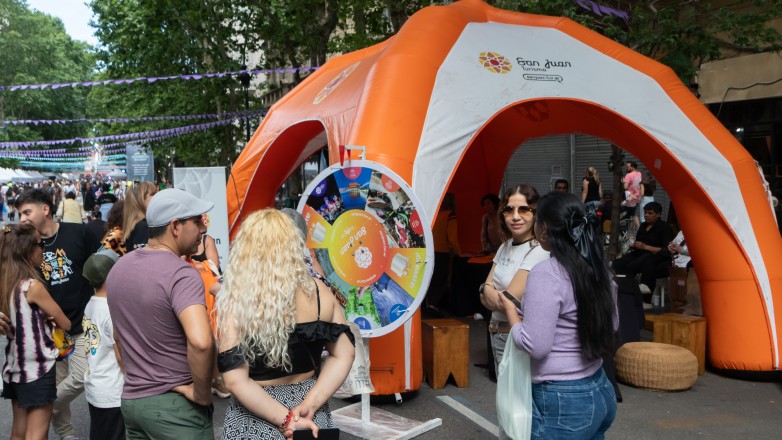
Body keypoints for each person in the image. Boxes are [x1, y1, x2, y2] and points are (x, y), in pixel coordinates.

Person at [216, 209, 355, 439]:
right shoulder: (319, 292)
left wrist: (287, 419)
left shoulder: (240, 299)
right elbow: (345, 354)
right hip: (309, 415)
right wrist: (311, 403)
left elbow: (234, 380)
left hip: (254, 417)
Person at [499, 191, 618, 439]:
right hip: (600, 388)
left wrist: (512, 313)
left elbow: (536, 346)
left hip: (563, 399)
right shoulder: (597, 267)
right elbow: (611, 323)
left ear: (544, 230)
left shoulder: (546, 272)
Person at [107, 188, 215, 439]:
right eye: (197, 221)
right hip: (176, 409)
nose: (202, 228)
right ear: (175, 226)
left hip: (133, 403)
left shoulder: (119, 268)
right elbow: (201, 342)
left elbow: (118, 338)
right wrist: (201, 393)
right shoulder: (182, 273)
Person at [15, 188, 101, 440]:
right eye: (20, 214)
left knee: (81, 377)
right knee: (56, 381)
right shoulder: (26, 245)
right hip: (48, 331)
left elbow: (101, 266)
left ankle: (45, 405)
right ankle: (67, 435)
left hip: (82, 324)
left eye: (27, 212)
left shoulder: (78, 232)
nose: (22, 218)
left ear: (45, 209)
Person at [1, 223, 72, 440]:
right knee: (37, 434)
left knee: (18, 432)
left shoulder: (4, 284)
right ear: (28, 249)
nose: (44, 250)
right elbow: (65, 323)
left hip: (14, 367)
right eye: (41, 244)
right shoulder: (32, 287)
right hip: (38, 367)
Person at [479, 185, 549, 371]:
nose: (516, 216)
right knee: (505, 398)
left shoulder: (539, 249)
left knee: (519, 399)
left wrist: (487, 290)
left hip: (519, 338)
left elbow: (509, 301)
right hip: (497, 335)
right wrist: (488, 291)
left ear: (536, 213)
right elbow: (486, 293)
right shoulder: (505, 246)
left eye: (524, 209)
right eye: (509, 210)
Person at [81, 249, 125, 440]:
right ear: (111, 276)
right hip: (113, 391)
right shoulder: (110, 310)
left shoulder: (91, 304)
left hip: (95, 386)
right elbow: (121, 356)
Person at [612, 201, 674, 292]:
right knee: (617, 263)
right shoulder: (643, 226)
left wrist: (645, 247)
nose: (646, 215)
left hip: (656, 256)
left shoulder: (664, 227)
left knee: (632, 266)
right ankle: (617, 288)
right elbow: (639, 242)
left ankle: (637, 290)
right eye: (645, 213)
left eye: (650, 213)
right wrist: (634, 245)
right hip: (639, 253)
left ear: (658, 215)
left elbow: (667, 250)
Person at [426, 192, 463, 313]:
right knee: (441, 280)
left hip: (431, 251)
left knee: (431, 279)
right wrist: (459, 252)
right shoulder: (450, 215)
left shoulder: (435, 214)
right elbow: (452, 237)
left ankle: (427, 304)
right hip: (442, 251)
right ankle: (433, 304)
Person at [123, 181, 157, 251]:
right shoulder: (142, 226)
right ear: (140, 199)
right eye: (153, 194)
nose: (156, 197)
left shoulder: (135, 224)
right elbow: (145, 259)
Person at [622, 162, 643, 229]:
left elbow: (625, 187)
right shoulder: (639, 174)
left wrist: (623, 182)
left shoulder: (628, 175)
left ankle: (629, 232)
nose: (626, 168)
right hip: (637, 197)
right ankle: (632, 232)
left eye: (628, 167)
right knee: (632, 214)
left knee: (629, 215)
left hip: (630, 198)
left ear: (632, 167)